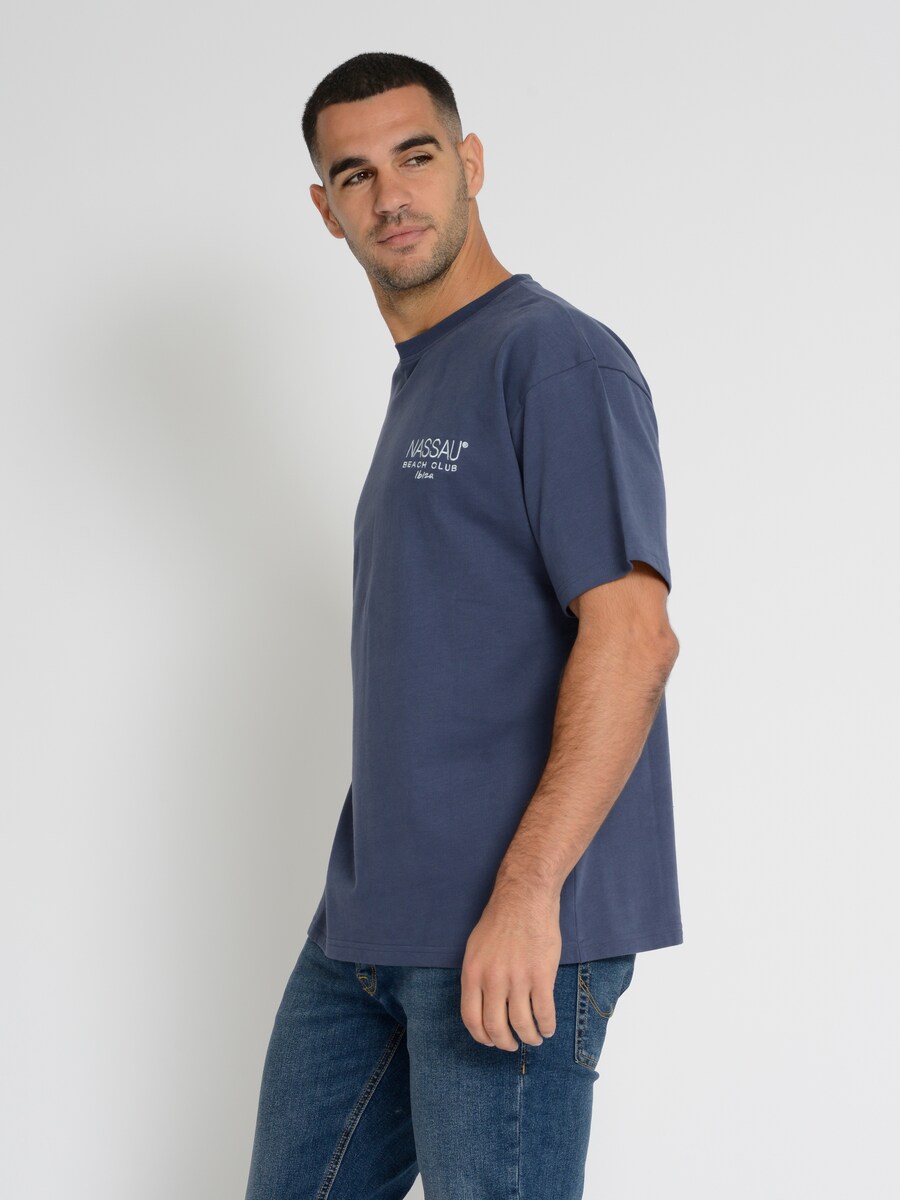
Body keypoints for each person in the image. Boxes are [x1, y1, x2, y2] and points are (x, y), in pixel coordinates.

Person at [244, 51, 683, 1200]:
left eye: (417, 156)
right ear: (326, 208)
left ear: (470, 162)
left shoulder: (552, 358)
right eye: (356, 173)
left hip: (506, 928)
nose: (390, 194)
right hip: (367, 934)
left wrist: (529, 895)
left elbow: (634, 638)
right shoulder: (426, 376)